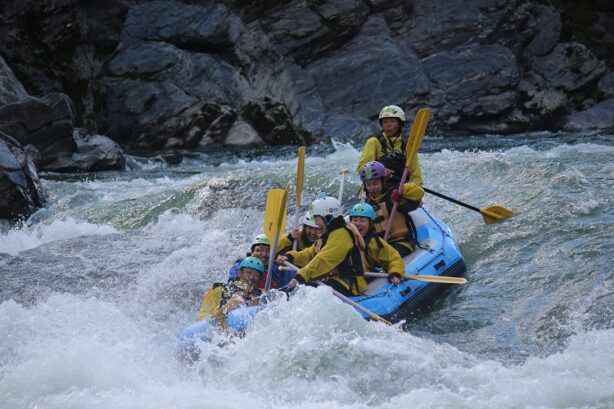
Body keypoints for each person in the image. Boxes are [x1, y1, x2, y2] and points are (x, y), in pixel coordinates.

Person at [276, 196, 366, 296]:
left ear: (327, 217)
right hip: (330, 279)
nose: (316, 223)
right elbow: (309, 254)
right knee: (298, 291)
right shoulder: (327, 235)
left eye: (317, 218)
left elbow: (322, 261)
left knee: (302, 292)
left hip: (348, 283)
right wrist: (289, 257)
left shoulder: (342, 236)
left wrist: (300, 277)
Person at [361, 161, 424, 257]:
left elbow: (419, 192)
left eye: (375, 184)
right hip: (382, 245)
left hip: (401, 243)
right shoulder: (366, 205)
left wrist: (401, 192)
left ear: (382, 182)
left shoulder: (393, 197)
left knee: (384, 256)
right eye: (368, 185)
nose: (372, 188)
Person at [356, 105, 423, 187]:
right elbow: (361, 170)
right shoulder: (373, 142)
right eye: (385, 122)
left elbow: (416, 177)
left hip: (401, 188)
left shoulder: (408, 146)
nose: (388, 125)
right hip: (376, 188)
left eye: (392, 121)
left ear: (400, 123)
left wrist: (413, 189)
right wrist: (381, 171)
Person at [348, 203, 405, 285]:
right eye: (355, 220)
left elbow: (394, 258)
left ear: (370, 223)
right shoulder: (345, 237)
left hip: (364, 279)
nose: (357, 224)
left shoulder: (374, 242)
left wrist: (395, 273)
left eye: (362, 220)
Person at [197, 256, 264, 324]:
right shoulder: (220, 289)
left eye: (256, 275)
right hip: (220, 329)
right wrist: (228, 307)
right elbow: (203, 317)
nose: (252, 277)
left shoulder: (259, 294)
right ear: (240, 273)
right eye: (249, 273)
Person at [228, 234, 293, 288]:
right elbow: (235, 281)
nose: (264, 255)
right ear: (252, 252)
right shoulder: (240, 265)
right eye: (259, 250)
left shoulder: (278, 269)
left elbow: (295, 279)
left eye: (268, 251)